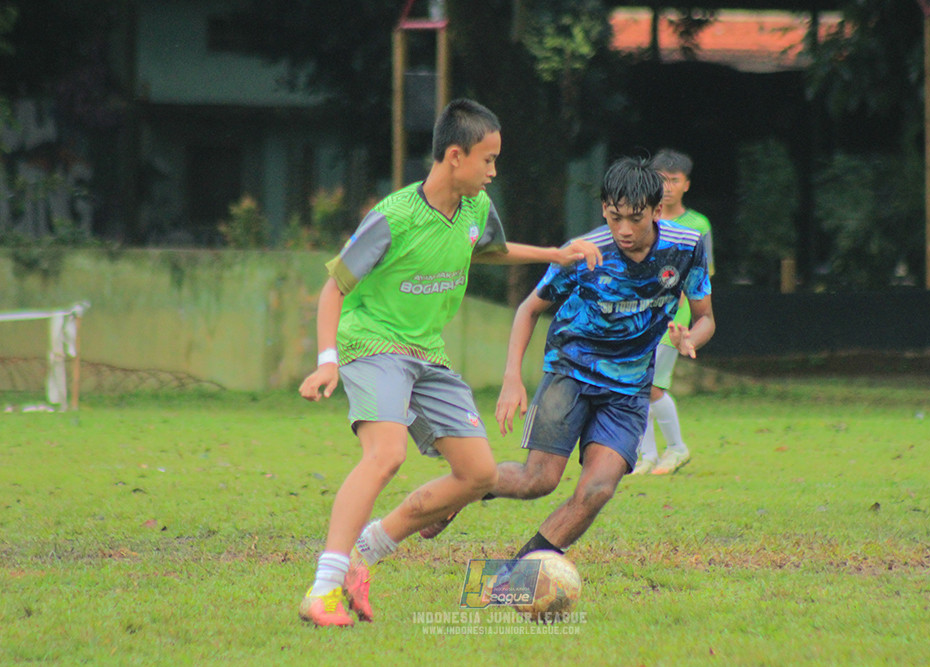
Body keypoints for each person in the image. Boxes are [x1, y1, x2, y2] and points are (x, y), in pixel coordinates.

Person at [296, 98, 601, 627]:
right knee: (385, 455)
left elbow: (486, 250)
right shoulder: (393, 218)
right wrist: (327, 362)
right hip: (373, 345)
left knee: (479, 473)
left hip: (426, 355)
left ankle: (366, 553)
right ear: (454, 156)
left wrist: (555, 254)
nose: (494, 171)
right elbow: (333, 290)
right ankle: (321, 589)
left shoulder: (475, 210)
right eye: (488, 159)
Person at [423, 155, 714, 560]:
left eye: (635, 218)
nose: (624, 230)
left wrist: (688, 340)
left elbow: (705, 319)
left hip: (629, 387)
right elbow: (529, 309)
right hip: (570, 370)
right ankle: (463, 490)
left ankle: (521, 571)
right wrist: (512, 378)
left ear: (657, 210)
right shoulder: (584, 253)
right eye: (614, 217)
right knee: (537, 481)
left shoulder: (686, 248)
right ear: (603, 210)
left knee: (597, 490)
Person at [632, 148, 714, 475]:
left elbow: (701, 277)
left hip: (674, 319)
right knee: (638, 384)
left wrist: (677, 315)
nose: (666, 187)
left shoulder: (697, 225)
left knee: (651, 386)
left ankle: (677, 448)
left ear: (686, 185)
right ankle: (647, 456)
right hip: (642, 316)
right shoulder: (642, 218)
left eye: (674, 180)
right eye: (661, 180)